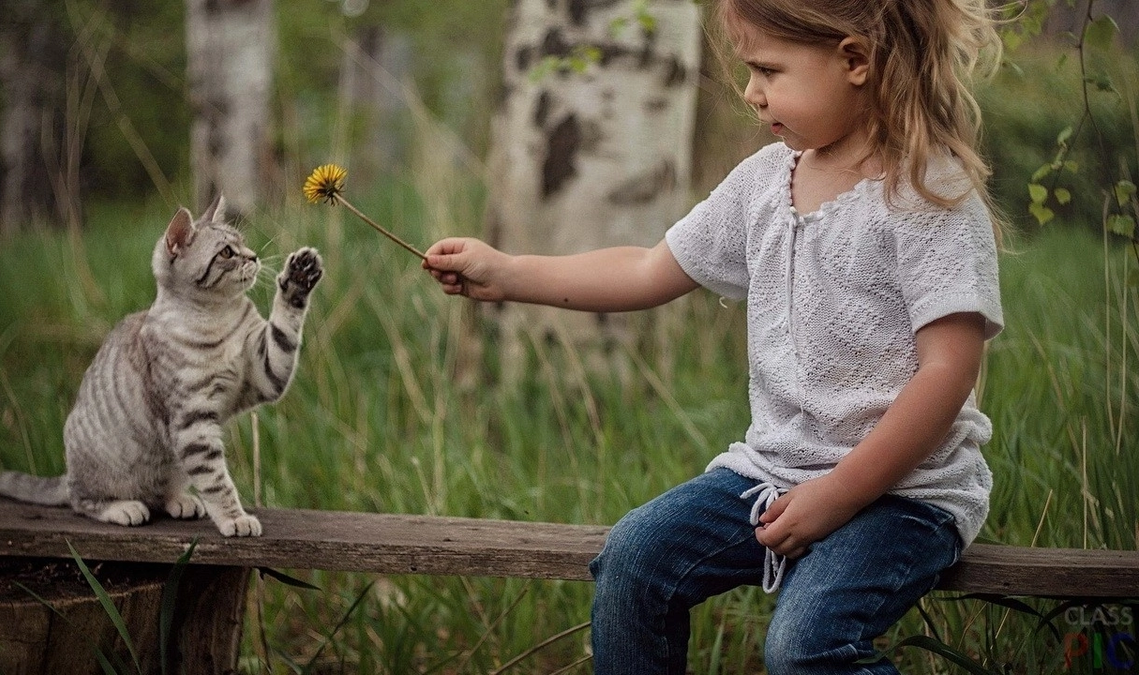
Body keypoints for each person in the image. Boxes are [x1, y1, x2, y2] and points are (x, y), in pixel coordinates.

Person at [423, 0, 1005, 671]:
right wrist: (510, 271)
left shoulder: (927, 194)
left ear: (855, 61)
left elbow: (947, 371)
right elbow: (647, 269)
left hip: (903, 494)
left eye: (767, 70)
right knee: (635, 559)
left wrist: (839, 494)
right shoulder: (763, 184)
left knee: (804, 643)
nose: (752, 94)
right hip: (772, 474)